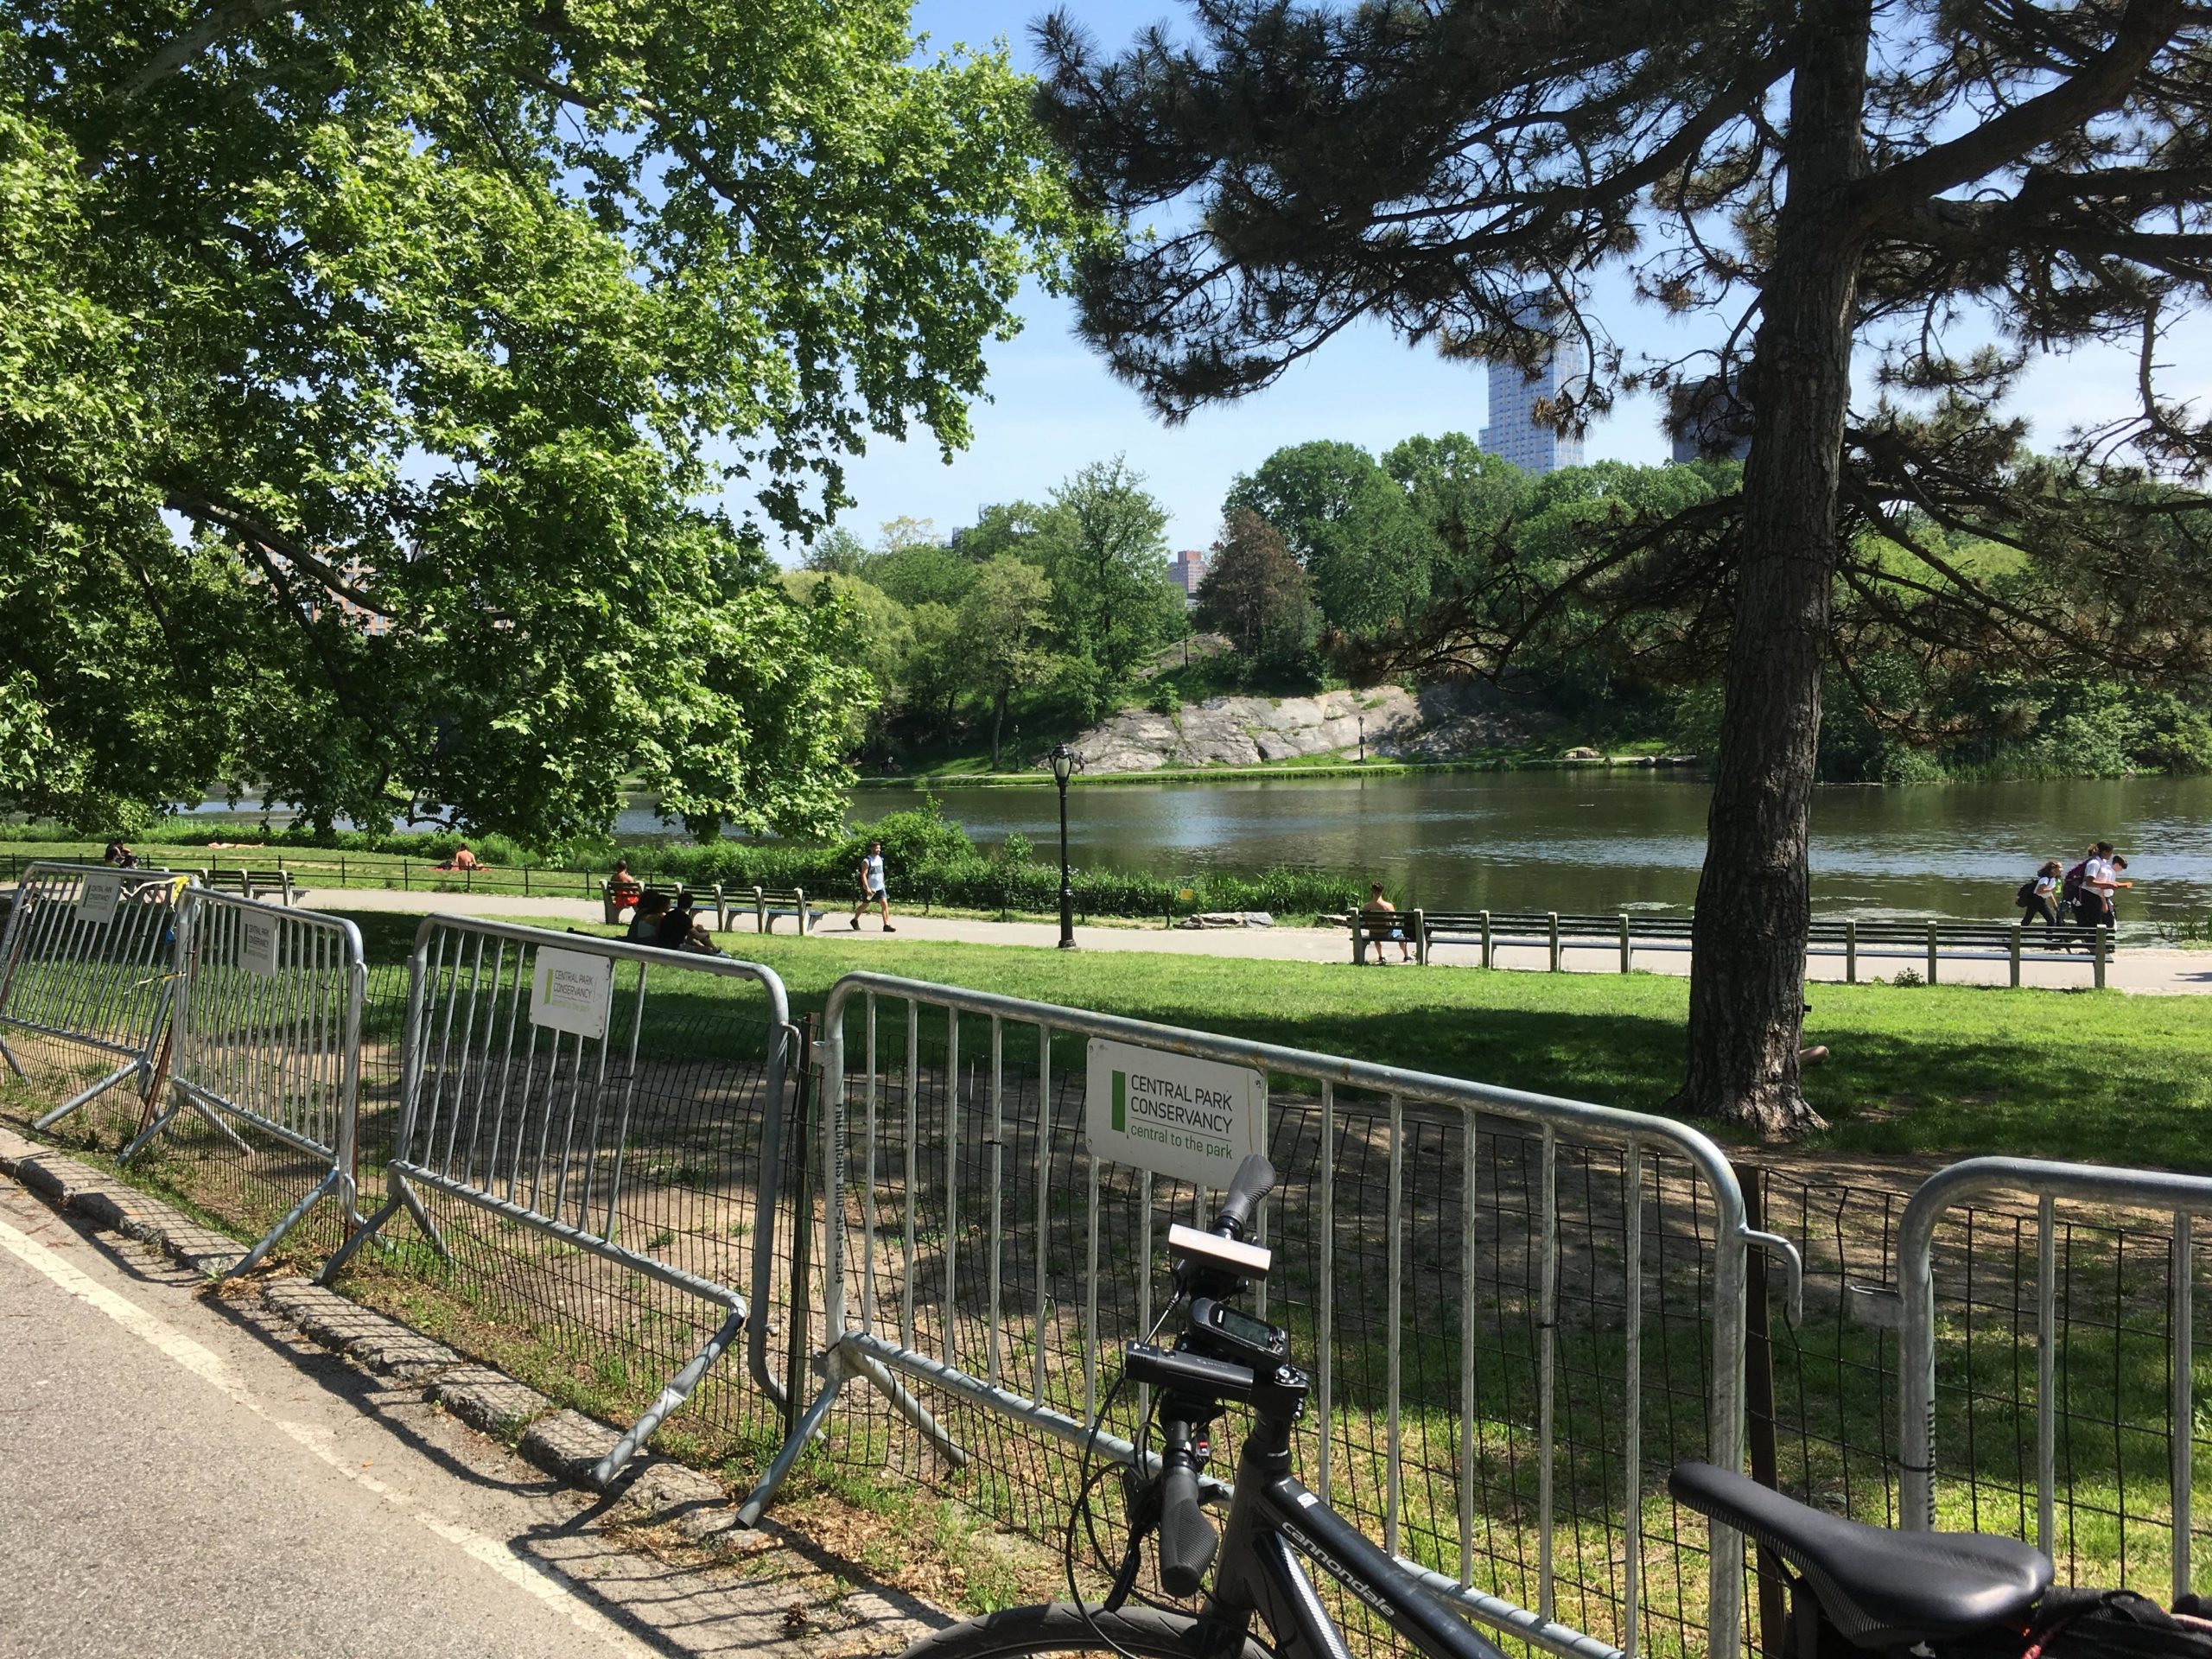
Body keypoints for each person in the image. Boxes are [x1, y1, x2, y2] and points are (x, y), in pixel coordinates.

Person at [1360, 882, 1411, 963]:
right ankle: (1406, 955)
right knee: (1399, 932)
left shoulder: (1366, 907)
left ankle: (1380, 956)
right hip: (1386, 933)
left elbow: (1365, 922)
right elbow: (1394, 923)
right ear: (1382, 891)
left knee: (1375, 929)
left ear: (1372, 891)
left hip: (1373, 933)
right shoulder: (1388, 906)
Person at [850, 840, 894, 932]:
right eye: (876, 848)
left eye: (879, 848)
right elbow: (863, 875)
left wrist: (882, 882)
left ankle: (886, 925)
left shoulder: (880, 859)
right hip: (871, 888)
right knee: (865, 905)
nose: (878, 850)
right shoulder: (867, 861)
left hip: (880, 886)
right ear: (872, 849)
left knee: (884, 904)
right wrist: (867, 888)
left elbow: (881, 872)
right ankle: (855, 920)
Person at [2016, 859, 2063, 932]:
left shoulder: (2053, 879)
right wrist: (2051, 890)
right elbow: (2039, 891)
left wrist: (2055, 907)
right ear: (2053, 870)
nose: (2062, 869)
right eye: (2060, 868)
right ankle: (2013, 937)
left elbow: (2049, 894)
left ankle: (2049, 940)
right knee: (2027, 921)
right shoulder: (2045, 879)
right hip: (2035, 901)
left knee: (2051, 920)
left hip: (2041, 901)